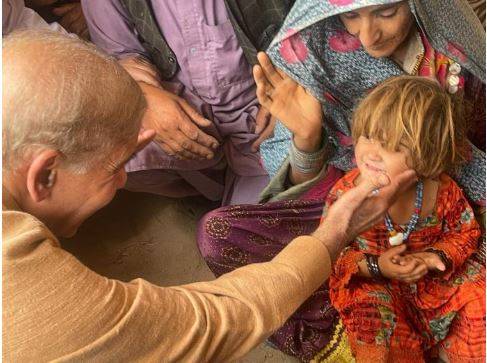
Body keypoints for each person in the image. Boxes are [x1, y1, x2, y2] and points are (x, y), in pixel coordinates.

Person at [2, 30, 417, 362]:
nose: (125, 182)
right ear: (44, 175)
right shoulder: (34, 301)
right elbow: (209, 322)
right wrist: (337, 229)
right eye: (114, 168)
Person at [198, 1, 486, 361]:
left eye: (384, 12)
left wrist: (435, 256)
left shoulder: (451, 52)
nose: (366, 36)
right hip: (348, 242)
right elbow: (328, 228)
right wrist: (307, 138)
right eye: (350, 15)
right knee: (220, 235)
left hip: (441, 237)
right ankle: (348, 339)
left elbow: (465, 217)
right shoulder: (313, 55)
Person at [326, 76, 485, 362]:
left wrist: (434, 256)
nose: (372, 152)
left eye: (395, 145)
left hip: (433, 283)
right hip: (377, 286)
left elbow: (465, 233)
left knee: (479, 294)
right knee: (373, 323)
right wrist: (378, 266)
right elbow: (333, 256)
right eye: (368, 136)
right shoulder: (345, 196)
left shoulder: (443, 191)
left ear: (428, 157)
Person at [80, 0, 297, 205]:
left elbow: (318, 20)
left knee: (258, 227)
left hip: (265, 114)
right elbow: (120, 56)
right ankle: (213, 185)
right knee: (98, 158)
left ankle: (237, 185)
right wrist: (144, 97)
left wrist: (297, 77)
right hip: (176, 106)